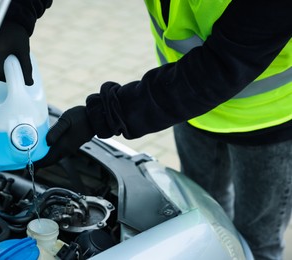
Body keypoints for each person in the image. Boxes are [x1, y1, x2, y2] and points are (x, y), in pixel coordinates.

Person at [30, 0, 292, 259]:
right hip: (187, 109)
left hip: (266, 123)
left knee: (258, 241)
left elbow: (220, 67)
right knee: (205, 217)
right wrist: (17, 14)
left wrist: (103, 116)